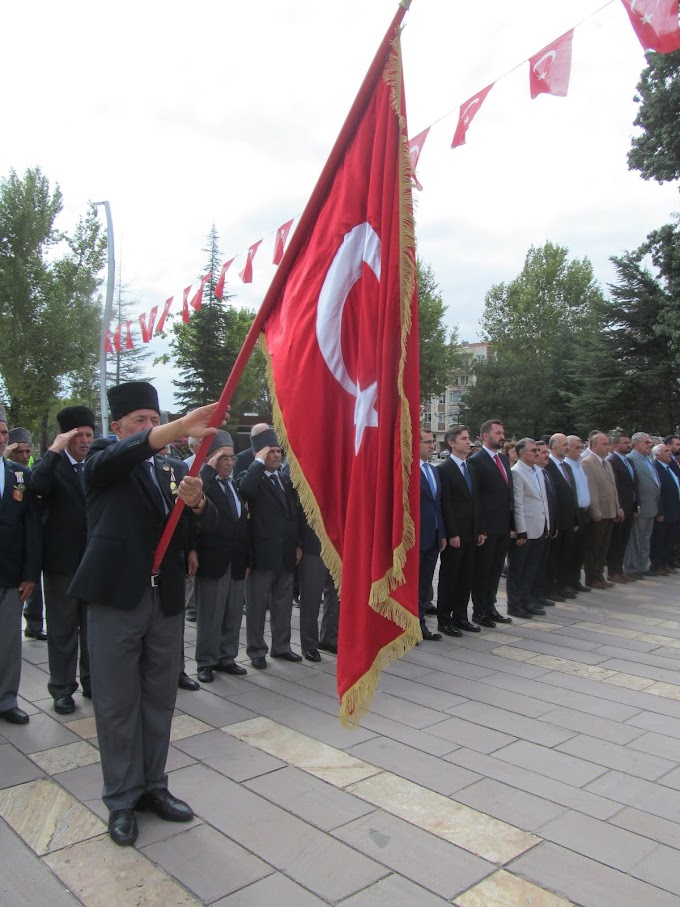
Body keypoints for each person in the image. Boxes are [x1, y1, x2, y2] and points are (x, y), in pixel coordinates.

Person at [68, 381, 220, 847]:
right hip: (117, 599)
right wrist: (176, 427)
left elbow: (202, 525)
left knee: (159, 700)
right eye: (141, 421)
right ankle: (120, 797)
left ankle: (154, 785)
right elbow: (115, 461)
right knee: (116, 706)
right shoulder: (101, 459)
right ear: (117, 427)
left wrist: (197, 504)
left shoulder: (172, 467)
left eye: (156, 420)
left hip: (166, 601)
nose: (151, 428)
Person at [30, 406, 96, 714]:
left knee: (93, 628)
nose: (84, 441)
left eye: (88, 435)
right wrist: (55, 449)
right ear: (66, 437)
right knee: (62, 629)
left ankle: (92, 682)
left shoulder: (96, 465)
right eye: (78, 435)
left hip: (94, 562)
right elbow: (36, 487)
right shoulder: (53, 466)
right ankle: (62, 688)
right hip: (62, 565)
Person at [238, 426, 303, 668]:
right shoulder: (249, 476)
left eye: (278, 451)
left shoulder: (284, 479)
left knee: (283, 603)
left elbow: (292, 515)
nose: (276, 455)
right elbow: (245, 491)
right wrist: (257, 462)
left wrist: (297, 544)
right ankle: (256, 650)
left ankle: (282, 646)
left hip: (286, 553)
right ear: (259, 454)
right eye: (270, 452)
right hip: (261, 555)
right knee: (256, 605)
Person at [190, 431, 249, 682]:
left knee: (233, 612)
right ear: (210, 459)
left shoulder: (234, 485)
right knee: (210, 614)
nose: (228, 462)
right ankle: (206, 661)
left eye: (231, 458)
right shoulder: (204, 483)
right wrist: (208, 468)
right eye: (222, 458)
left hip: (236, 560)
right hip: (212, 560)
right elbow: (194, 519)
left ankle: (227, 657)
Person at [0, 405, 41, 725]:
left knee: (8, 641)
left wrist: (29, 574)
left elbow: (31, 530)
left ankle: (6, 698)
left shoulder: (20, 476)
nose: (1, 438)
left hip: (10, 575)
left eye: (2, 431)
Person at [437, 425, 484, 636]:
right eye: (463, 438)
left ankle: (461, 616)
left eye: (468, 438)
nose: (468, 442)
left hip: (472, 534)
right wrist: (452, 533)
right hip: (456, 535)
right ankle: (444, 620)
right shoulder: (444, 469)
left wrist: (480, 529)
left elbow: (477, 502)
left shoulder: (471, 467)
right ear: (452, 443)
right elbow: (446, 504)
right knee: (450, 578)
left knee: (467, 577)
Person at [468, 419, 514, 628]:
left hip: (503, 526)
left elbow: (508, 495)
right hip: (487, 528)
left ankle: (491, 606)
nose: (502, 436)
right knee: (483, 571)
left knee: (496, 570)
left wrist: (512, 524)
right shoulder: (476, 461)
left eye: (502, 432)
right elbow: (475, 499)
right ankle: (479, 611)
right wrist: (480, 528)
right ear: (485, 436)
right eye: (497, 433)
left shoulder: (503, 460)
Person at [507, 438, 551, 618]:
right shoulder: (517, 472)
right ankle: (515, 604)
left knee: (532, 568)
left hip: (539, 526)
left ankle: (527, 600)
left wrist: (547, 523)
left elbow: (543, 500)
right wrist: (520, 530)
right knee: (518, 569)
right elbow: (517, 503)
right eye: (533, 450)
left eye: (537, 451)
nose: (537, 454)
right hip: (525, 528)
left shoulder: (538, 471)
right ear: (522, 453)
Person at [581, 431, 622, 589]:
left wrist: (618, 507)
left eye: (608, 444)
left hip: (610, 511)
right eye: (604, 444)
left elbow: (613, 487)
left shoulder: (607, 462)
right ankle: (592, 577)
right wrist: (595, 511)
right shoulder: (588, 462)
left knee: (604, 546)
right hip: (599, 513)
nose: (608, 447)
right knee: (594, 546)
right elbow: (592, 489)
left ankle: (599, 574)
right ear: (593, 445)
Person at [298, 516, 340, 660]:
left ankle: (330, 638)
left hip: (338, 544)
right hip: (314, 543)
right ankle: (309, 644)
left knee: (336, 596)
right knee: (311, 597)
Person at [544, 434, 579, 601]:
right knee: (553, 557)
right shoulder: (547, 466)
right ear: (554, 446)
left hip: (569, 520)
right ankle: (551, 587)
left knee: (566, 555)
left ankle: (563, 585)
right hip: (556, 522)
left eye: (568, 444)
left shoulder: (567, 467)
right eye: (564, 444)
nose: (567, 447)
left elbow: (573, 494)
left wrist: (576, 519)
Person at [418, 429, 445, 641]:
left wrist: (442, 533)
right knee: (415, 585)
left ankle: (421, 624)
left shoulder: (433, 471)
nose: (432, 445)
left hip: (434, 536)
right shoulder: (408, 470)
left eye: (432, 442)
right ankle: (416, 626)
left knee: (426, 584)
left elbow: (438, 505)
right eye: (427, 442)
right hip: (416, 538)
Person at [624, 432, 661, 578]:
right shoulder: (631, 459)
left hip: (652, 504)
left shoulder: (648, 459)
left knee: (645, 538)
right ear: (637, 443)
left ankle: (642, 565)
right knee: (636, 538)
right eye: (646, 442)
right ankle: (632, 567)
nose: (649, 444)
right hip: (641, 506)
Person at [606, 433, 639, 583]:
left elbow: (633, 484)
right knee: (616, 541)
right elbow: (614, 487)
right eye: (625, 442)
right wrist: (618, 507)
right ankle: (613, 571)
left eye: (629, 442)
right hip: (620, 508)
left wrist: (636, 502)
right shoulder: (612, 461)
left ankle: (620, 569)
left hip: (630, 506)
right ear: (616, 445)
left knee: (624, 540)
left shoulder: (629, 462)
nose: (628, 445)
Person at [564, 435, 593, 592]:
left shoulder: (578, 465)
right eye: (576, 447)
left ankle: (575, 580)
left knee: (580, 549)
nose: (580, 450)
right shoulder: (567, 466)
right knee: (571, 550)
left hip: (584, 512)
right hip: (574, 513)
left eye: (581, 447)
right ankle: (567, 581)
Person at [650, 443, 680, 575]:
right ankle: (657, 564)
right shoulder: (656, 468)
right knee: (660, 539)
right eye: (666, 451)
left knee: (670, 538)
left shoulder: (669, 467)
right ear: (657, 455)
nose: (669, 453)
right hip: (664, 510)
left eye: (669, 450)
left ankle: (666, 562)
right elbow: (658, 492)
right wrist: (660, 511)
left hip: (674, 509)